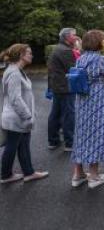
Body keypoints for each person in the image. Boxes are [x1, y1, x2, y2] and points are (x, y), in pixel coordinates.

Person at [71, 30, 104, 189]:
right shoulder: (101, 59)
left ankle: (78, 174)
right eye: (103, 39)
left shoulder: (80, 58)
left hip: (81, 99)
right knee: (96, 134)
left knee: (81, 133)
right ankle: (94, 176)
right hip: (96, 99)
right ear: (98, 42)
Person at [1, 44, 49, 184]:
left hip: (18, 118)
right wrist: (28, 116)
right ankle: (6, 175)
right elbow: (15, 99)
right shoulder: (14, 73)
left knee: (23, 144)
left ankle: (28, 173)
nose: (32, 55)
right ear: (21, 55)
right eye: (29, 53)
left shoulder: (16, 70)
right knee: (12, 146)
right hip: (17, 118)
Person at [47, 27, 77, 152]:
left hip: (57, 86)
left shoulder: (57, 48)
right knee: (68, 115)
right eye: (74, 35)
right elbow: (73, 70)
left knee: (55, 113)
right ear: (67, 37)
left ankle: (53, 141)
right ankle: (70, 143)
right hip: (65, 87)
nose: (76, 37)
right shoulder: (66, 50)